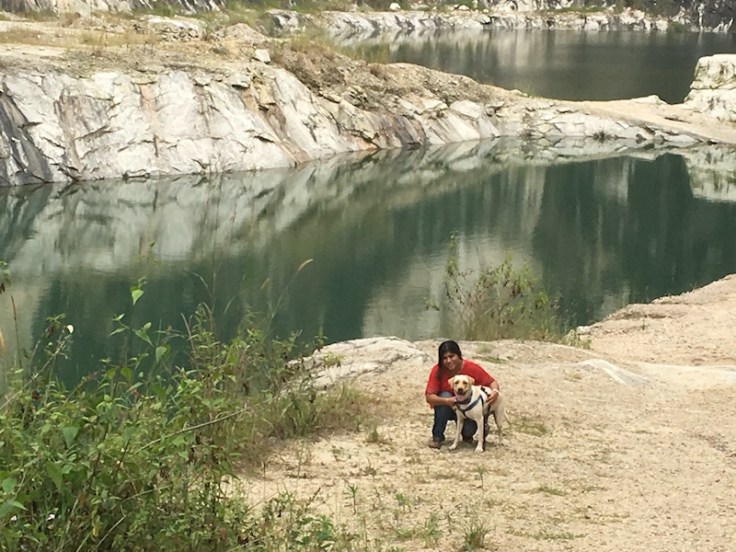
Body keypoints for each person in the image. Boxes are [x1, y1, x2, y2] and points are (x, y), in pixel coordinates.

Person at [424, 339, 500, 449]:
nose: (448, 361)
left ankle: (479, 428)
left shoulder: (471, 368)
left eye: (452, 356)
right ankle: (437, 437)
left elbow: (492, 382)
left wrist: (495, 392)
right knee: (444, 396)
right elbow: (429, 397)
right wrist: (447, 401)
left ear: (459, 355)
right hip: (448, 407)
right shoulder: (437, 371)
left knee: (468, 433)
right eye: (444, 358)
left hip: (469, 409)